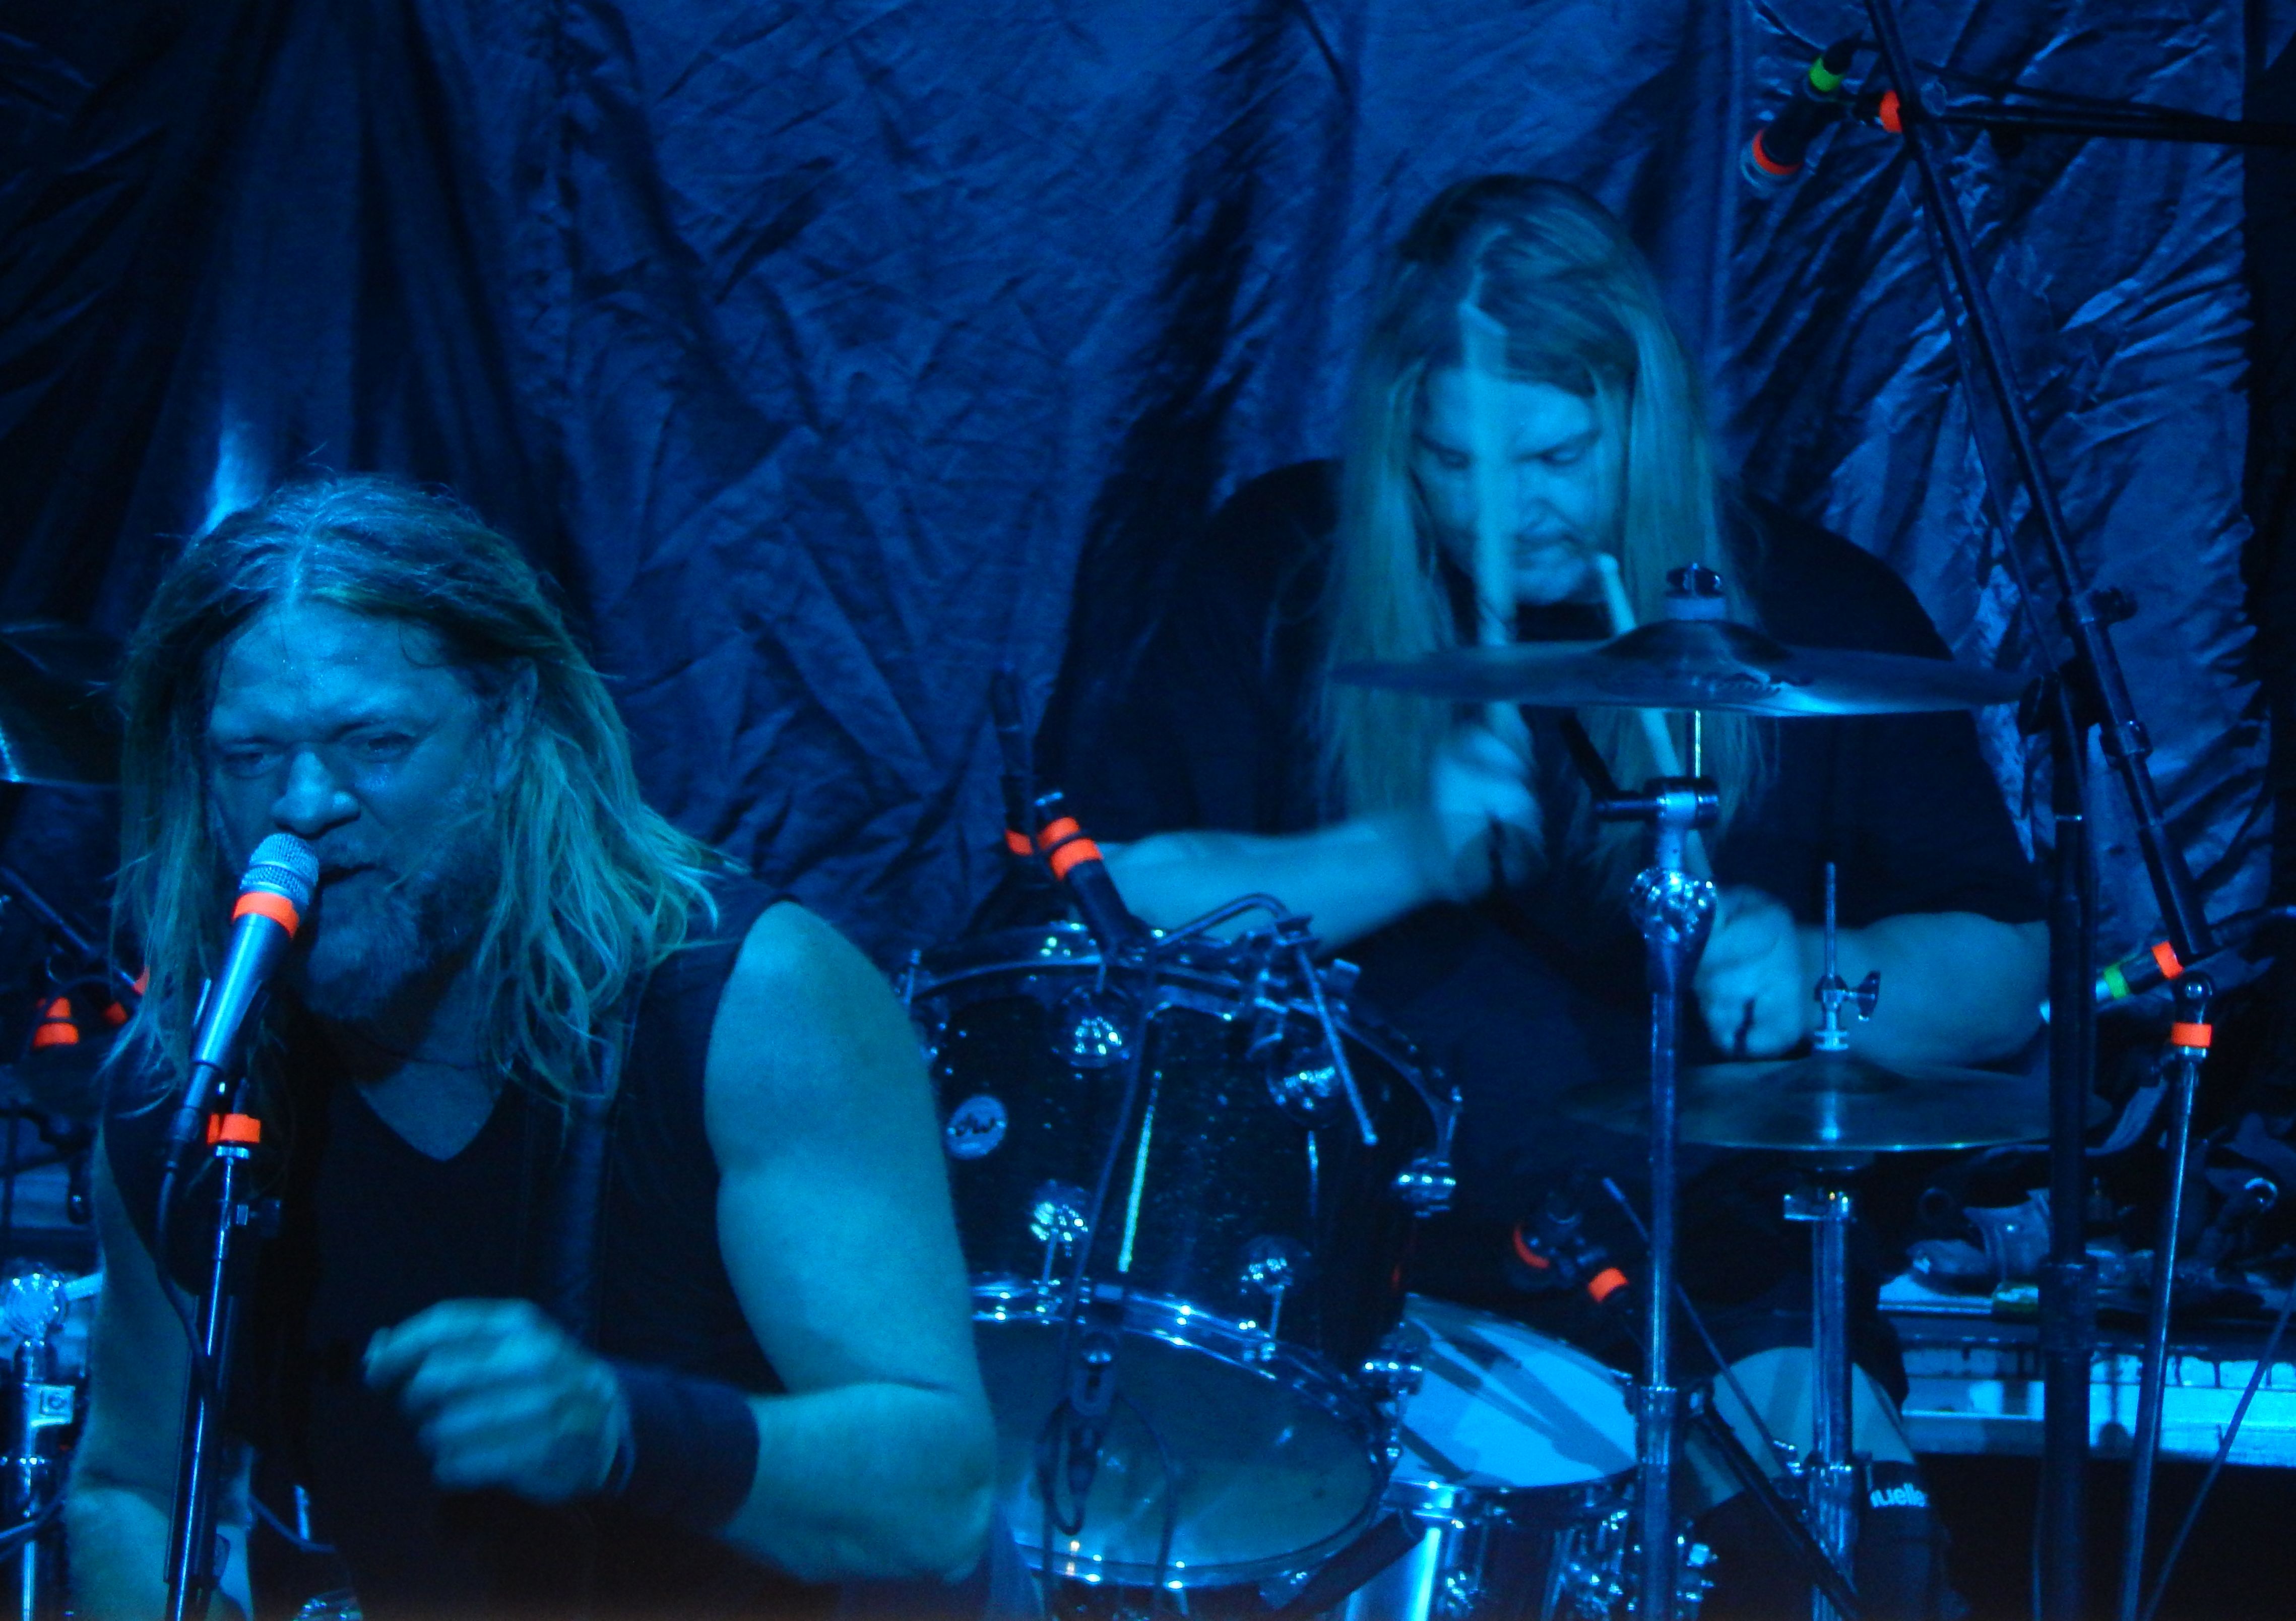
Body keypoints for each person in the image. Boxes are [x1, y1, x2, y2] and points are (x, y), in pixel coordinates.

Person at [1041, 176, 2049, 1616]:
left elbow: (2004, 970)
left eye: (1558, 458)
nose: (1509, 517)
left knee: (1852, 1572)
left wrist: (1816, 970)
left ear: (1643, 417)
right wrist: (1402, 850)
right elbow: (1116, 908)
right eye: (1453, 464)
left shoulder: (1822, 611)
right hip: (1332, 1279)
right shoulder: (1279, 569)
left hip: (1710, 1278)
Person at [68, 478, 1002, 1619]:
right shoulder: (183, 1089)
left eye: (377, 742)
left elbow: (939, 1498)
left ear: (509, 730)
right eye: (251, 756)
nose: (304, 804)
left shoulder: (752, 1005)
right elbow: (129, 1487)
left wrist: (621, 1430)